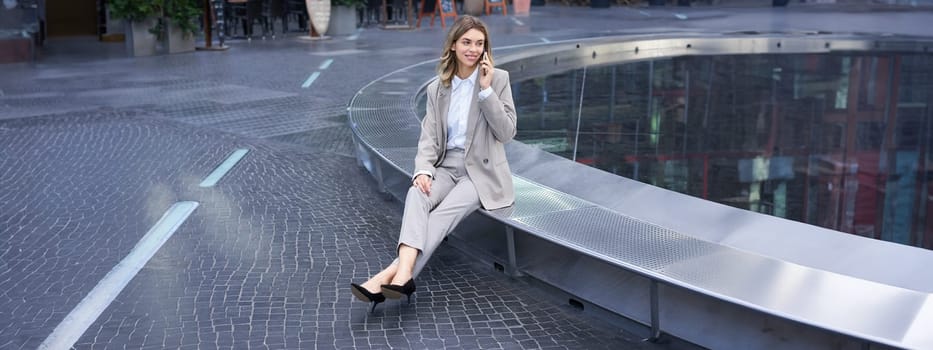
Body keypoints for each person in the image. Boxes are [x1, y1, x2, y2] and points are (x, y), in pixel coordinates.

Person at [351, 15, 516, 312]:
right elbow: (428, 138)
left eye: (479, 43)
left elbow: (506, 132)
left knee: (441, 217)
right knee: (417, 193)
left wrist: (486, 90)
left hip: (481, 173)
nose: (473, 49)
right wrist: (424, 171)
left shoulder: (498, 79)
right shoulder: (438, 88)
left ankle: (390, 276)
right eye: (466, 42)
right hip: (446, 167)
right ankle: (402, 277)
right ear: (453, 45)